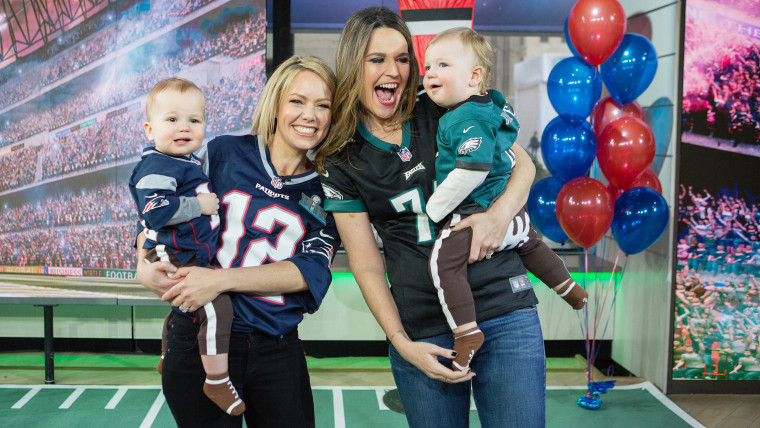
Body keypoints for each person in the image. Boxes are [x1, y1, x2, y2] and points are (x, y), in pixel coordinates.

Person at [315, 7, 545, 427]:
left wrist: (497, 219)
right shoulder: (342, 157)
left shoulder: (440, 105)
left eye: (402, 58)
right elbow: (366, 263)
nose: (394, 71)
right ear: (353, 64)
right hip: (424, 324)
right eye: (377, 59)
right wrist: (401, 343)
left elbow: (523, 167)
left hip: (501, 304)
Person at [136, 56, 340, 427]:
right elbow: (163, 214)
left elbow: (308, 272)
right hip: (198, 341)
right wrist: (141, 263)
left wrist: (221, 279)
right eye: (297, 101)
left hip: (275, 347)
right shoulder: (223, 152)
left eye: (322, 105)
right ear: (276, 104)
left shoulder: (329, 190)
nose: (309, 115)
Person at [421, 27, 587, 370]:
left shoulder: (462, 117)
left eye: (442, 65)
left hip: (475, 212)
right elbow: (509, 155)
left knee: (442, 263)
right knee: (530, 244)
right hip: (515, 217)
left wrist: (435, 207)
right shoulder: (493, 104)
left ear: (474, 76)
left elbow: (473, 169)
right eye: (427, 67)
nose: (431, 73)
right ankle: (569, 288)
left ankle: (466, 332)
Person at [128, 77, 243, 416]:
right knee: (215, 306)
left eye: (194, 120)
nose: (184, 127)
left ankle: (166, 357)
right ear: (150, 130)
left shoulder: (184, 160)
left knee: (183, 307)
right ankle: (217, 379)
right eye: (172, 119)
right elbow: (157, 212)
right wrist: (201, 205)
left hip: (185, 250)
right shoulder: (157, 165)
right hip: (171, 250)